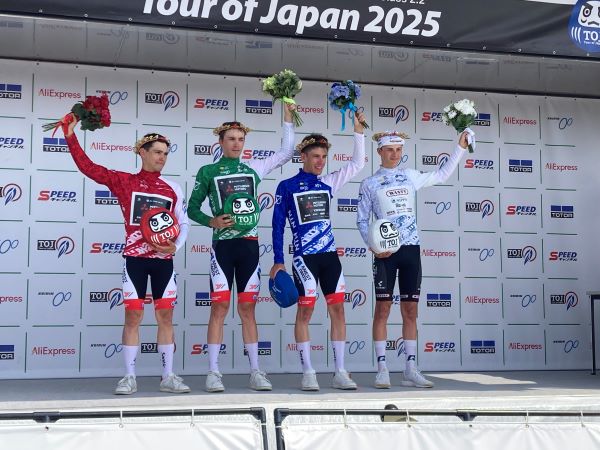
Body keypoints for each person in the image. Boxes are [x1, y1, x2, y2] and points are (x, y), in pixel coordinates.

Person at [62, 116, 190, 395]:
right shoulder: (124, 182)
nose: (162, 158)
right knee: (133, 316)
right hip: (134, 260)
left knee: (165, 316)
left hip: (163, 262)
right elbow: (88, 168)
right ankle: (129, 377)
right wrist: (70, 135)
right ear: (142, 152)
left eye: (165, 154)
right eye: (157, 152)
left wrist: (175, 247)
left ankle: (168, 376)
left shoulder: (173, 188)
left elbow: (184, 222)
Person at [188, 104, 296, 392]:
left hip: (249, 247)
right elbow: (191, 208)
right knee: (219, 307)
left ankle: (256, 371)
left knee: (248, 308)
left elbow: (286, 152)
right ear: (220, 142)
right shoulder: (208, 171)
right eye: (231, 139)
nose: (237, 144)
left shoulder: (253, 169)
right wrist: (211, 221)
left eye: (241, 139)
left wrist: (288, 117)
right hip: (223, 247)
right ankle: (213, 372)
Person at [356, 129, 472, 389]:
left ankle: (410, 368)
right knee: (382, 309)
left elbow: (442, 175)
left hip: (411, 250)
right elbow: (362, 220)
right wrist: (373, 246)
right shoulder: (370, 183)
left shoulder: (409, 176)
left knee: (410, 311)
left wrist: (460, 147)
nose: (394, 154)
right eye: (389, 150)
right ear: (379, 151)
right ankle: (382, 369)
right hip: (386, 252)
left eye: (398, 150)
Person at [269, 111, 367, 391]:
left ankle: (340, 371)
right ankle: (308, 372)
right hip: (304, 259)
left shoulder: (328, 182)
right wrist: (278, 260)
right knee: (305, 312)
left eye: (324, 157)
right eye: (315, 156)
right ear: (303, 157)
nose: (320, 161)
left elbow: (357, 163)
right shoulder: (287, 186)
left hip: (329, 257)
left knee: (338, 311)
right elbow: (277, 225)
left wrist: (358, 131)